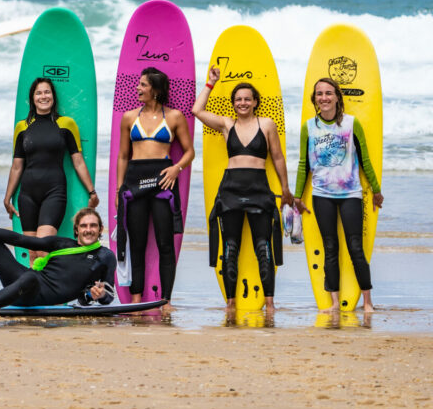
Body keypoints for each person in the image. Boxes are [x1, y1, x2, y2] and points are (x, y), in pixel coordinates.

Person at [192, 67, 292, 313]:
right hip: (231, 190)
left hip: (259, 188)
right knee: (231, 248)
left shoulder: (266, 124)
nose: (243, 103)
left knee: (263, 246)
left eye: (247, 98)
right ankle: (231, 302)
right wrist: (210, 83)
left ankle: (269, 303)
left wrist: (286, 189)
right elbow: (197, 111)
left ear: (255, 102)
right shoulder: (227, 125)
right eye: (238, 99)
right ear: (233, 103)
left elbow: (278, 158)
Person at [293, 78, 383, 314]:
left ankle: (367, 302)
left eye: (328, 93)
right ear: (314, 99)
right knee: (330, 247)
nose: (324, 97)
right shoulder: (308, 127)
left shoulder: (352, 124)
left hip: (351, 193)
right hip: (322, 195)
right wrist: (297, 197)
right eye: (319, 94)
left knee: (355, 247)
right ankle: (334, 302)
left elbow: (365, 160)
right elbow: (304, 165)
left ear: (337, 97)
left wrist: (376, 189)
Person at [115, 66, 194, 312]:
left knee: (165, 243)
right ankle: (137, 297)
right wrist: (120, 189)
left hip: (163, 180)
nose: (137, 88)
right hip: (135, 181)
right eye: (138, 84)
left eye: (143, 85)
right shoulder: (129, 117)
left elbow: (190, 151)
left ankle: (166, 300)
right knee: (137, 242)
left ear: (156, 90)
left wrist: (176, 169)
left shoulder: (174, 117)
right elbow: (123, 156)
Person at [4, 77, 98, 264]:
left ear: (53, 97)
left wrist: (91, 191)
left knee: (43, 249)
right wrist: (8, 197)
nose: (43, 96)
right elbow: (17, 165)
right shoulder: (22, 127)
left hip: (54, 192)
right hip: (27, 194)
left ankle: (51, 289)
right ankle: (37, 292)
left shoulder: (66, 124)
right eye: (39, 93)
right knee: (32, 253)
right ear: (32, 98)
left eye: (47, 92)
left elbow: (77, 161)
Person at [0, 208, 116, 319]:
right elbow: (20, 240)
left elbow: (107, 296)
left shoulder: (106, 256)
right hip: (21, 280)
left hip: (36, 292)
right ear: (76, 230)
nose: (88, 230)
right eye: (84, 226)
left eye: (93, 225)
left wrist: (99, 295)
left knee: (30, 277)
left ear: (101, 228)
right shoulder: (62, 243)